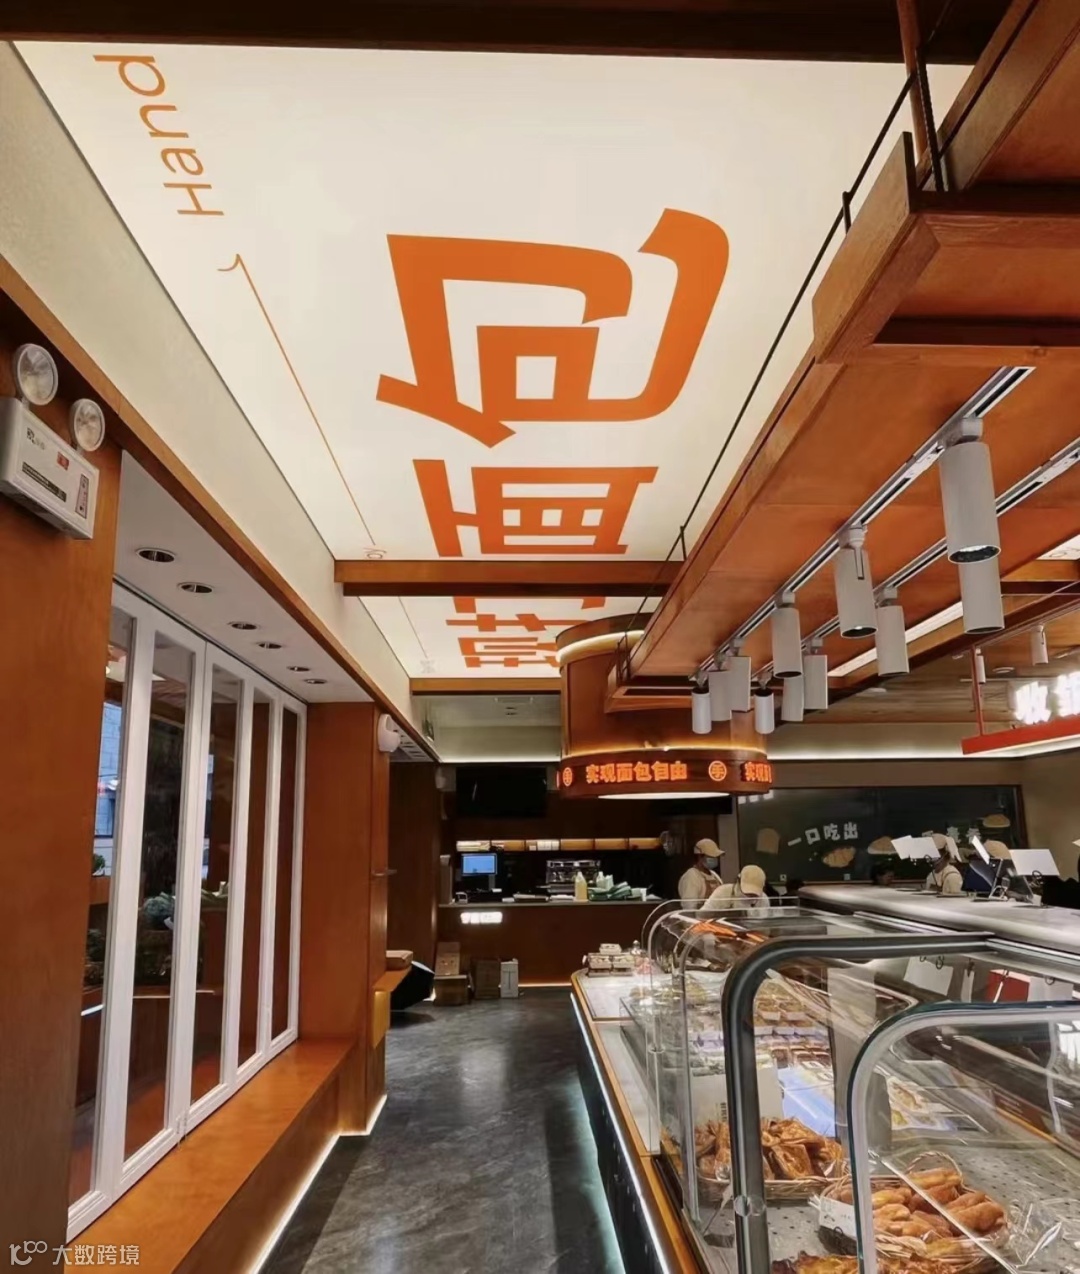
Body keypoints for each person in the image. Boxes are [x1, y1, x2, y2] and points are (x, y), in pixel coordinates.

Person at [704, 864, 770, 916]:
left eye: (754, 894)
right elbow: (703, 916)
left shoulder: (763, 899)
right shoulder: (722, 892)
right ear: (738, 881)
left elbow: (765, 925)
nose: (750, 896)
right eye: (748, 893)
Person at [676, 838, 724, 908]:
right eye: (711, 857)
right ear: (699, 856)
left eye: (716, 857)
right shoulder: (691, 876)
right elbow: (689, 907)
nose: (715, 859)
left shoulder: (715, 875)